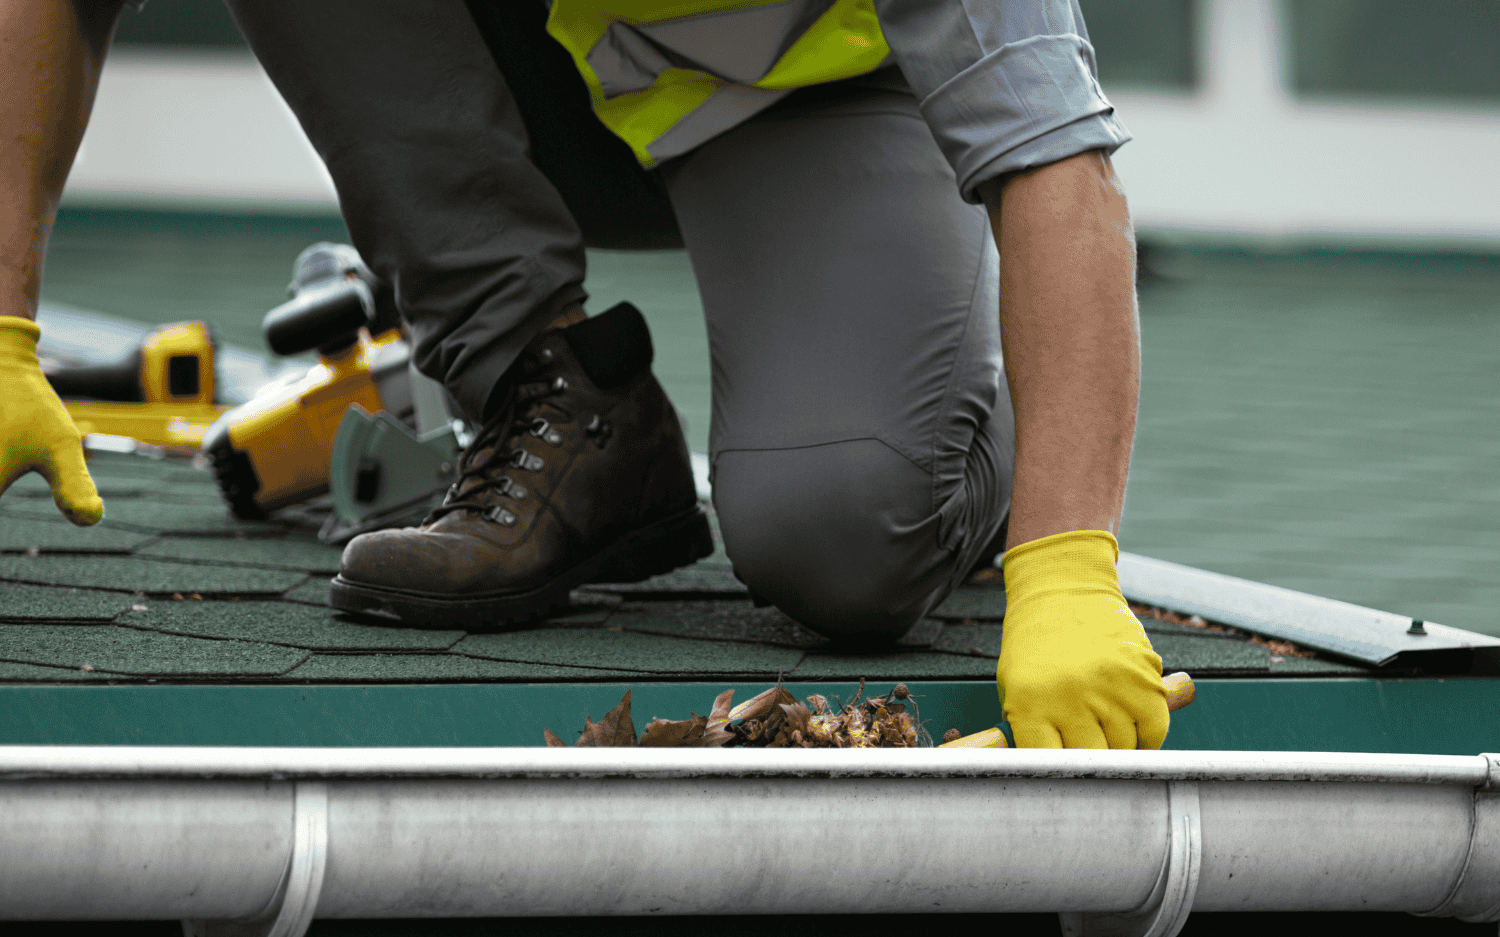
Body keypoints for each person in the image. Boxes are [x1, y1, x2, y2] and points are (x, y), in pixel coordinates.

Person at [0, 0, 1169, 750]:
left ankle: (970, 418)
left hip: (803, 104)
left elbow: (1058, 163)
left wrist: (1063, 561)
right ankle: (549, 396)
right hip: (541, 64)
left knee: (848, 540)